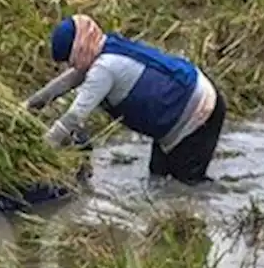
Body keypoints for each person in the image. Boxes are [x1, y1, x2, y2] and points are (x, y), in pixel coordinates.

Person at [24, 14, 226, 185]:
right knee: (159, 180)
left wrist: (43, 148)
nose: (70, 65)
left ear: (79, 48)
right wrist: (26, 107)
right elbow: (65, 83)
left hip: (199, 111)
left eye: (70, 59)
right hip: (177, 108)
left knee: (187, 187)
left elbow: (75, 116)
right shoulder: (102, 49)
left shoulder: (104, 68)